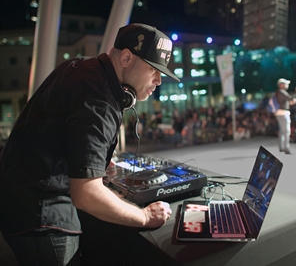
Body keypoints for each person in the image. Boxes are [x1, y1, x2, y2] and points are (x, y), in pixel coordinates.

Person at [0, 23, 179, 265]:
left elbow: (58, 133)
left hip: (17, 203)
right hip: (41, 216)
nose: (159, 80)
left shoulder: (81, 68)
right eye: (153, 70)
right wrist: (145, 216)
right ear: (126, 58)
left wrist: (89, 159)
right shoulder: (99, 101)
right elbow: (86, 194)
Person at [274, 78, 296, 154]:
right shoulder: (281, 92)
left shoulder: (279, 93)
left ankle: (281, 147)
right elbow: (290, 98)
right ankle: (286, 148)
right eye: (286, 84)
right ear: (281, 85)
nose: (287, 85)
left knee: (282, 130)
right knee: (287, 131)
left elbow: (289, 100)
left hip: (280, 112)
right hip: (283, 113)